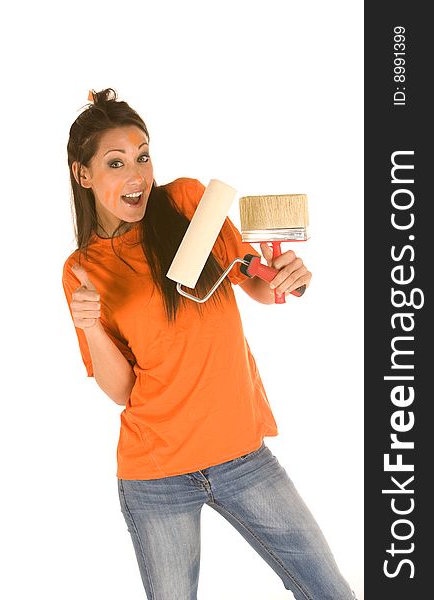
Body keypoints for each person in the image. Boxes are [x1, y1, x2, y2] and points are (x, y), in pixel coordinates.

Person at [61, 88, 356, 600]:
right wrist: (88, 325)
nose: (137, 175)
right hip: (156, 474)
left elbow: (256, 282)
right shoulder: (83, 270)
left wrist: (290, 277)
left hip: (243, 455)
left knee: (330, 591)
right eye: (116, 163)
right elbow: (121, 389)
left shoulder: (186, 202)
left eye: (143, 156)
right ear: (82, 174)